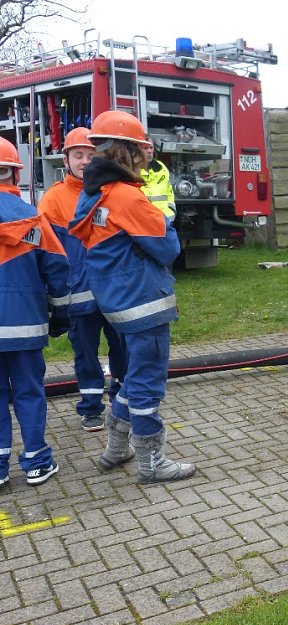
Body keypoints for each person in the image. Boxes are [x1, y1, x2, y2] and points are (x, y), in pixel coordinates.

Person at [69, 110, 196, 484]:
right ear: (129, 152)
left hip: (117, 301)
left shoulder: (93, 195)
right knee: (147, 383)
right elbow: (168, 248)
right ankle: (152, 462)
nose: (145, 155)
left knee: (136, 376)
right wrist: (161, 221)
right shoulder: (128, 197)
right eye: (141, 148)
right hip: (145, 303)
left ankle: (116, 447)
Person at [38, 127, 127, 432]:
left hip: (113, 292)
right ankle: (90, 408)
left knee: (122, 348)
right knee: (85, 353)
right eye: (78, 155)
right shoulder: (52, 199)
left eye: (91, 155)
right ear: (66, 158)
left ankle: (121, 398)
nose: (85, 161)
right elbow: (45, 250)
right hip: (77, 294)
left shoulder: (110, 191)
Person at [0, 137, 70, 489]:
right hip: (25, 326)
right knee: (28, 391)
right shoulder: (33, 219)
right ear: (15, 173)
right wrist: (60, 315)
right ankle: (36, 461)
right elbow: (57, 270)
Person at [140, 135, 176, 222]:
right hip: (143, 223)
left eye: (151, 147)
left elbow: (169, 192)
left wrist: (171, 211)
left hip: (165, 222)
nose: (149, 151)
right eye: (145, 148)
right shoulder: (132, 172)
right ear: (137, 151)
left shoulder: (161, 167)